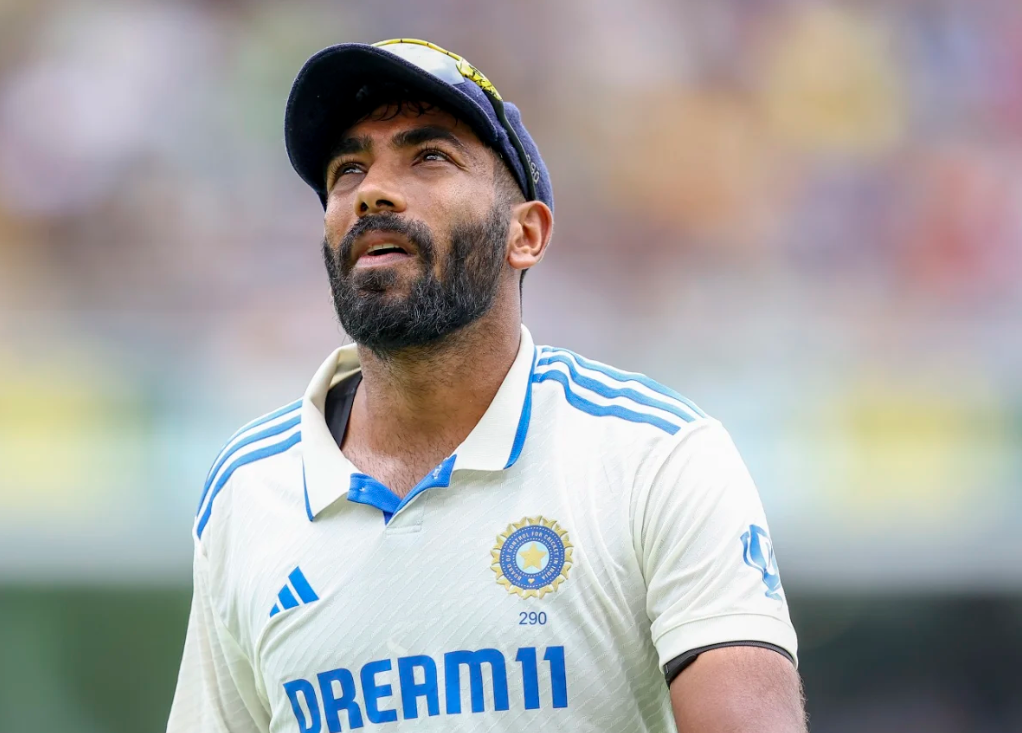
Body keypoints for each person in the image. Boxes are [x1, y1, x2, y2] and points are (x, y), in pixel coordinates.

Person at [167, 38, 806, 733]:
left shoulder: (654, 456)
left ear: (524, 234)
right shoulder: (246, 490)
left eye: (429, 157)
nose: (373, 190)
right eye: (348, 168)